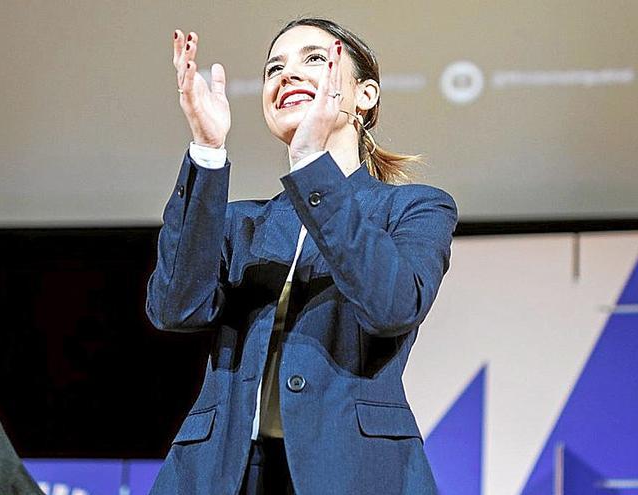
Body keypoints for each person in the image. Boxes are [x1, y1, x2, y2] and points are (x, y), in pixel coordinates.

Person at [146, 17, 457, 495]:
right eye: (274, 68)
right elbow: (175, 309)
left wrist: (312, 163)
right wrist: (207, 150)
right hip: (221, 474)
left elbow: (390, 307)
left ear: (365, 96)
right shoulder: (236, 221)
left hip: (354, 470)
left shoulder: (415, 208)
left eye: (314, 59)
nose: (286, 75)